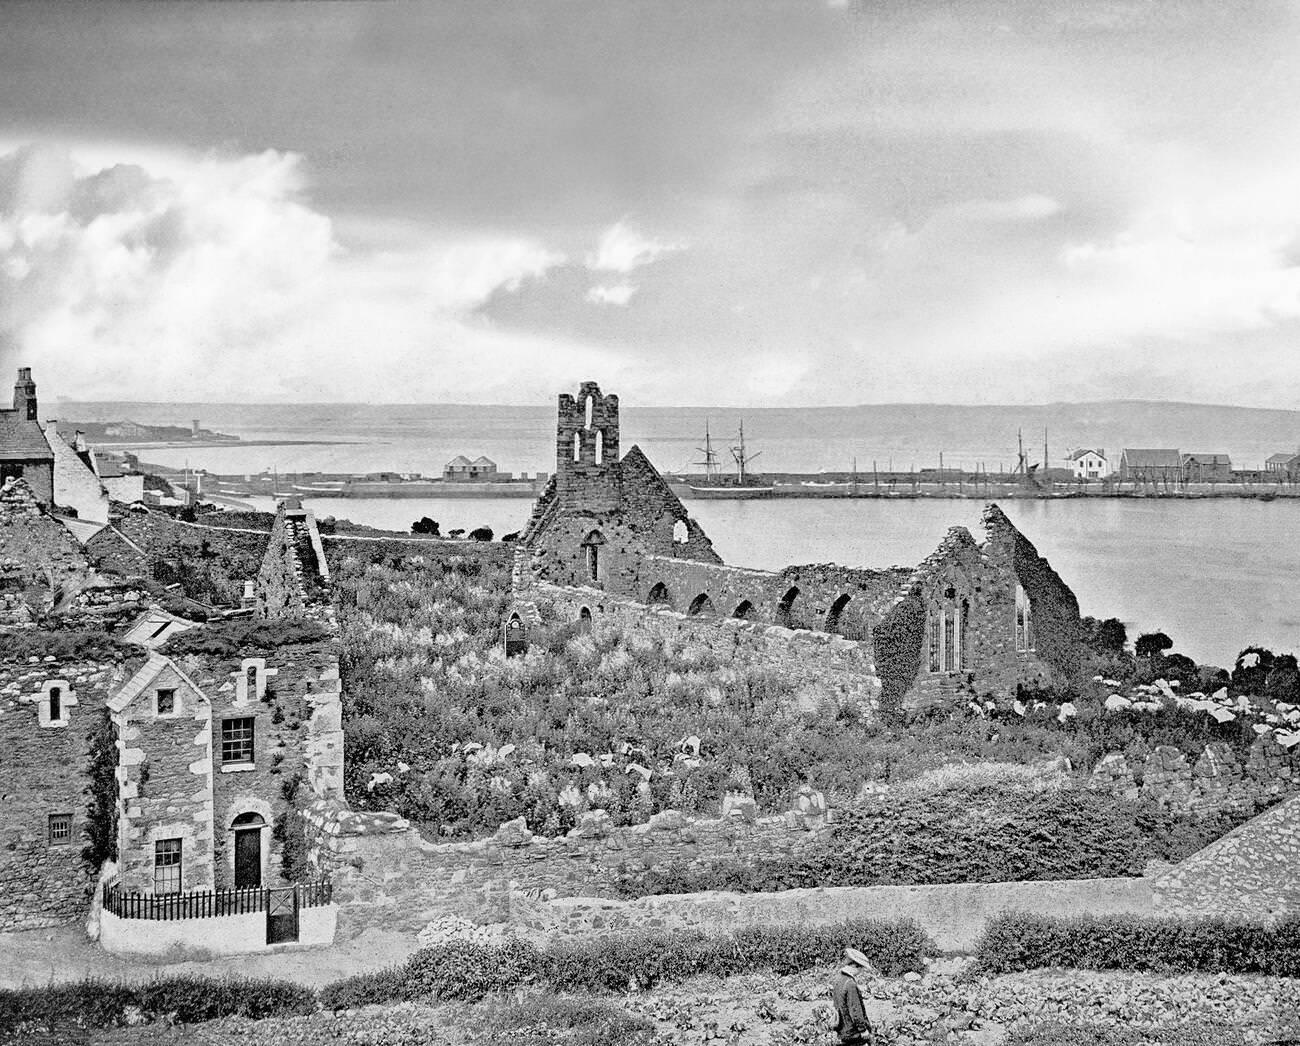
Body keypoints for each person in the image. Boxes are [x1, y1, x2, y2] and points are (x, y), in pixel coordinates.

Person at [830, 947, 875, 1045]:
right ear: (855, 966)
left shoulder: (838, 978)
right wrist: (863, 1030)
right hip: (853, 1032)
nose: (861, 971)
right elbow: (855, 1010)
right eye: (861, 968)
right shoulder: (850, 984)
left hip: (842, 1029)